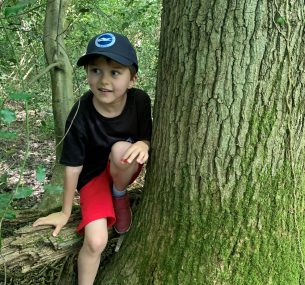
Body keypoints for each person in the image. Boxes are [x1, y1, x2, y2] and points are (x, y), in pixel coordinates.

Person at [33, 32, 152, 285]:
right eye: (95, 70)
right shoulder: (80, 112)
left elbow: (147, 137)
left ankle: (120, 196)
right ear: (87, 73)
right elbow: (73, 167)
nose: (104, 80)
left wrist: (144, 143)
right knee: (96, 241)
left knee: (122, 150)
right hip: (93, 178)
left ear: (132, 79)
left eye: (115, 72)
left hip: (123, 168)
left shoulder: (140, 100)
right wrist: (65, 212)